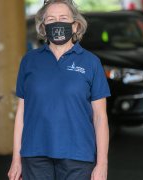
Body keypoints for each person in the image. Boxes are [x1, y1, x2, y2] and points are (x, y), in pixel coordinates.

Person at [8, 0, 111, 180]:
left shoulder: (91, 62)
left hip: (78, 155)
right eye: (51, 19)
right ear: (43, 26)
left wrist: (102, 164)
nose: (57, 23)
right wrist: (16, 159)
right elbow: (21, 113)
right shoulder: (29, 61)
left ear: (75, 25)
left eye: (63, 18)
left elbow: (100, 117)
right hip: (35, 154)